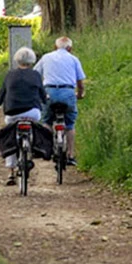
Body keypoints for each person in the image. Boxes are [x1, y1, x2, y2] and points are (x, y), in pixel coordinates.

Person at [0, 47, 47, 185]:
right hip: (32, 112)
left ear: (17, 59)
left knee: (11, 137)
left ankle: (11, 172)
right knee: (34, 126)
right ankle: (32, 148)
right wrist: (44, 100)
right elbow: (42, 95)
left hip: (12, 113)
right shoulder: (36, 75)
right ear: (32, 60)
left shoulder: (10, 75)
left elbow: (1, 95)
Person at [34, 36, 85, 166]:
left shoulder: (46, 57)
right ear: (70, 48)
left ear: (55, 46)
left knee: (46, 121)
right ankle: (71, 155)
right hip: (68, 93)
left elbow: (35, 74)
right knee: (70, 124)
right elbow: (80, 82)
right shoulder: (74, 59)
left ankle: (47, 149)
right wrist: (79, 94)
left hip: (49, 92)